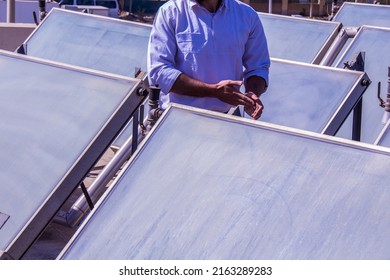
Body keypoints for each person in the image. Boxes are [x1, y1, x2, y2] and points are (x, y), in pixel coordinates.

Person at [147, 0, 270, 119]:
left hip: (227, 121)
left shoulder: (246, 15)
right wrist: (214, 91)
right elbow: (159, 72)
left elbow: (258, 67)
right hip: (178, 118)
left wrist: (252, 93)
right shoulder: (170, 12)